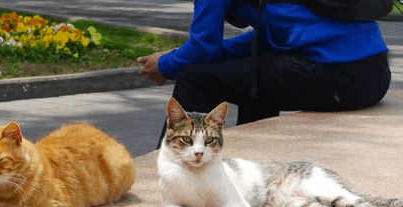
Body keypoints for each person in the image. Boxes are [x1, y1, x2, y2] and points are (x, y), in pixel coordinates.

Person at [137, 0, 391, 149]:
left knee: (194, 79)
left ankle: (168, 171)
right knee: (255, 70)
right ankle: (253, 157)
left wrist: (166, 65)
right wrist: (174, 55)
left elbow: (204, 47)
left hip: (338, 77)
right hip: (373, 75)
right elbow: (267, 41)